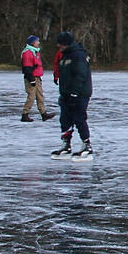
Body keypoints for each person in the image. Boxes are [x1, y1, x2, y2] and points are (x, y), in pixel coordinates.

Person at [50, 31, 93, 160]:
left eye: (61, 44)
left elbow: (81, 75)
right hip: (66, 94)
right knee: (65, 119)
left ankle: (87, 145)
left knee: (79, 118)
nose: (59, 46)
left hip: (79, 94)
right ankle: (66, 145)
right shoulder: (64, 55)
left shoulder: (78, 55)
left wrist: (75, 93)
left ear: (67, 43)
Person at [20, 35, 55, 122]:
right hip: (31, 78)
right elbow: (27, 68)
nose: (38, 43)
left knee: (40, 96)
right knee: (31, 97)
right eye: (37, 41)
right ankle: (25, 114)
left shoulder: (35, 52)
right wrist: (31, 79)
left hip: (37, 77)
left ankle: (43, 114)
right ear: (33, 43)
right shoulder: (28, 53)